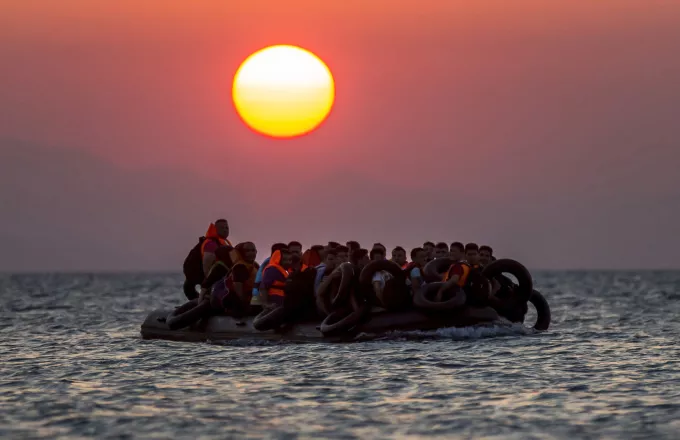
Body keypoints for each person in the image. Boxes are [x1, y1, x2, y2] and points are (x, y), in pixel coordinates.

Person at [181, 219, 233, 300]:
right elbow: (207, 266)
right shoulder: (211, 244)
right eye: (222, 228)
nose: (225, 230)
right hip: (203, 279)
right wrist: (207, 286)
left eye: (226, 228)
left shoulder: (224, 243)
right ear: (215, 229)